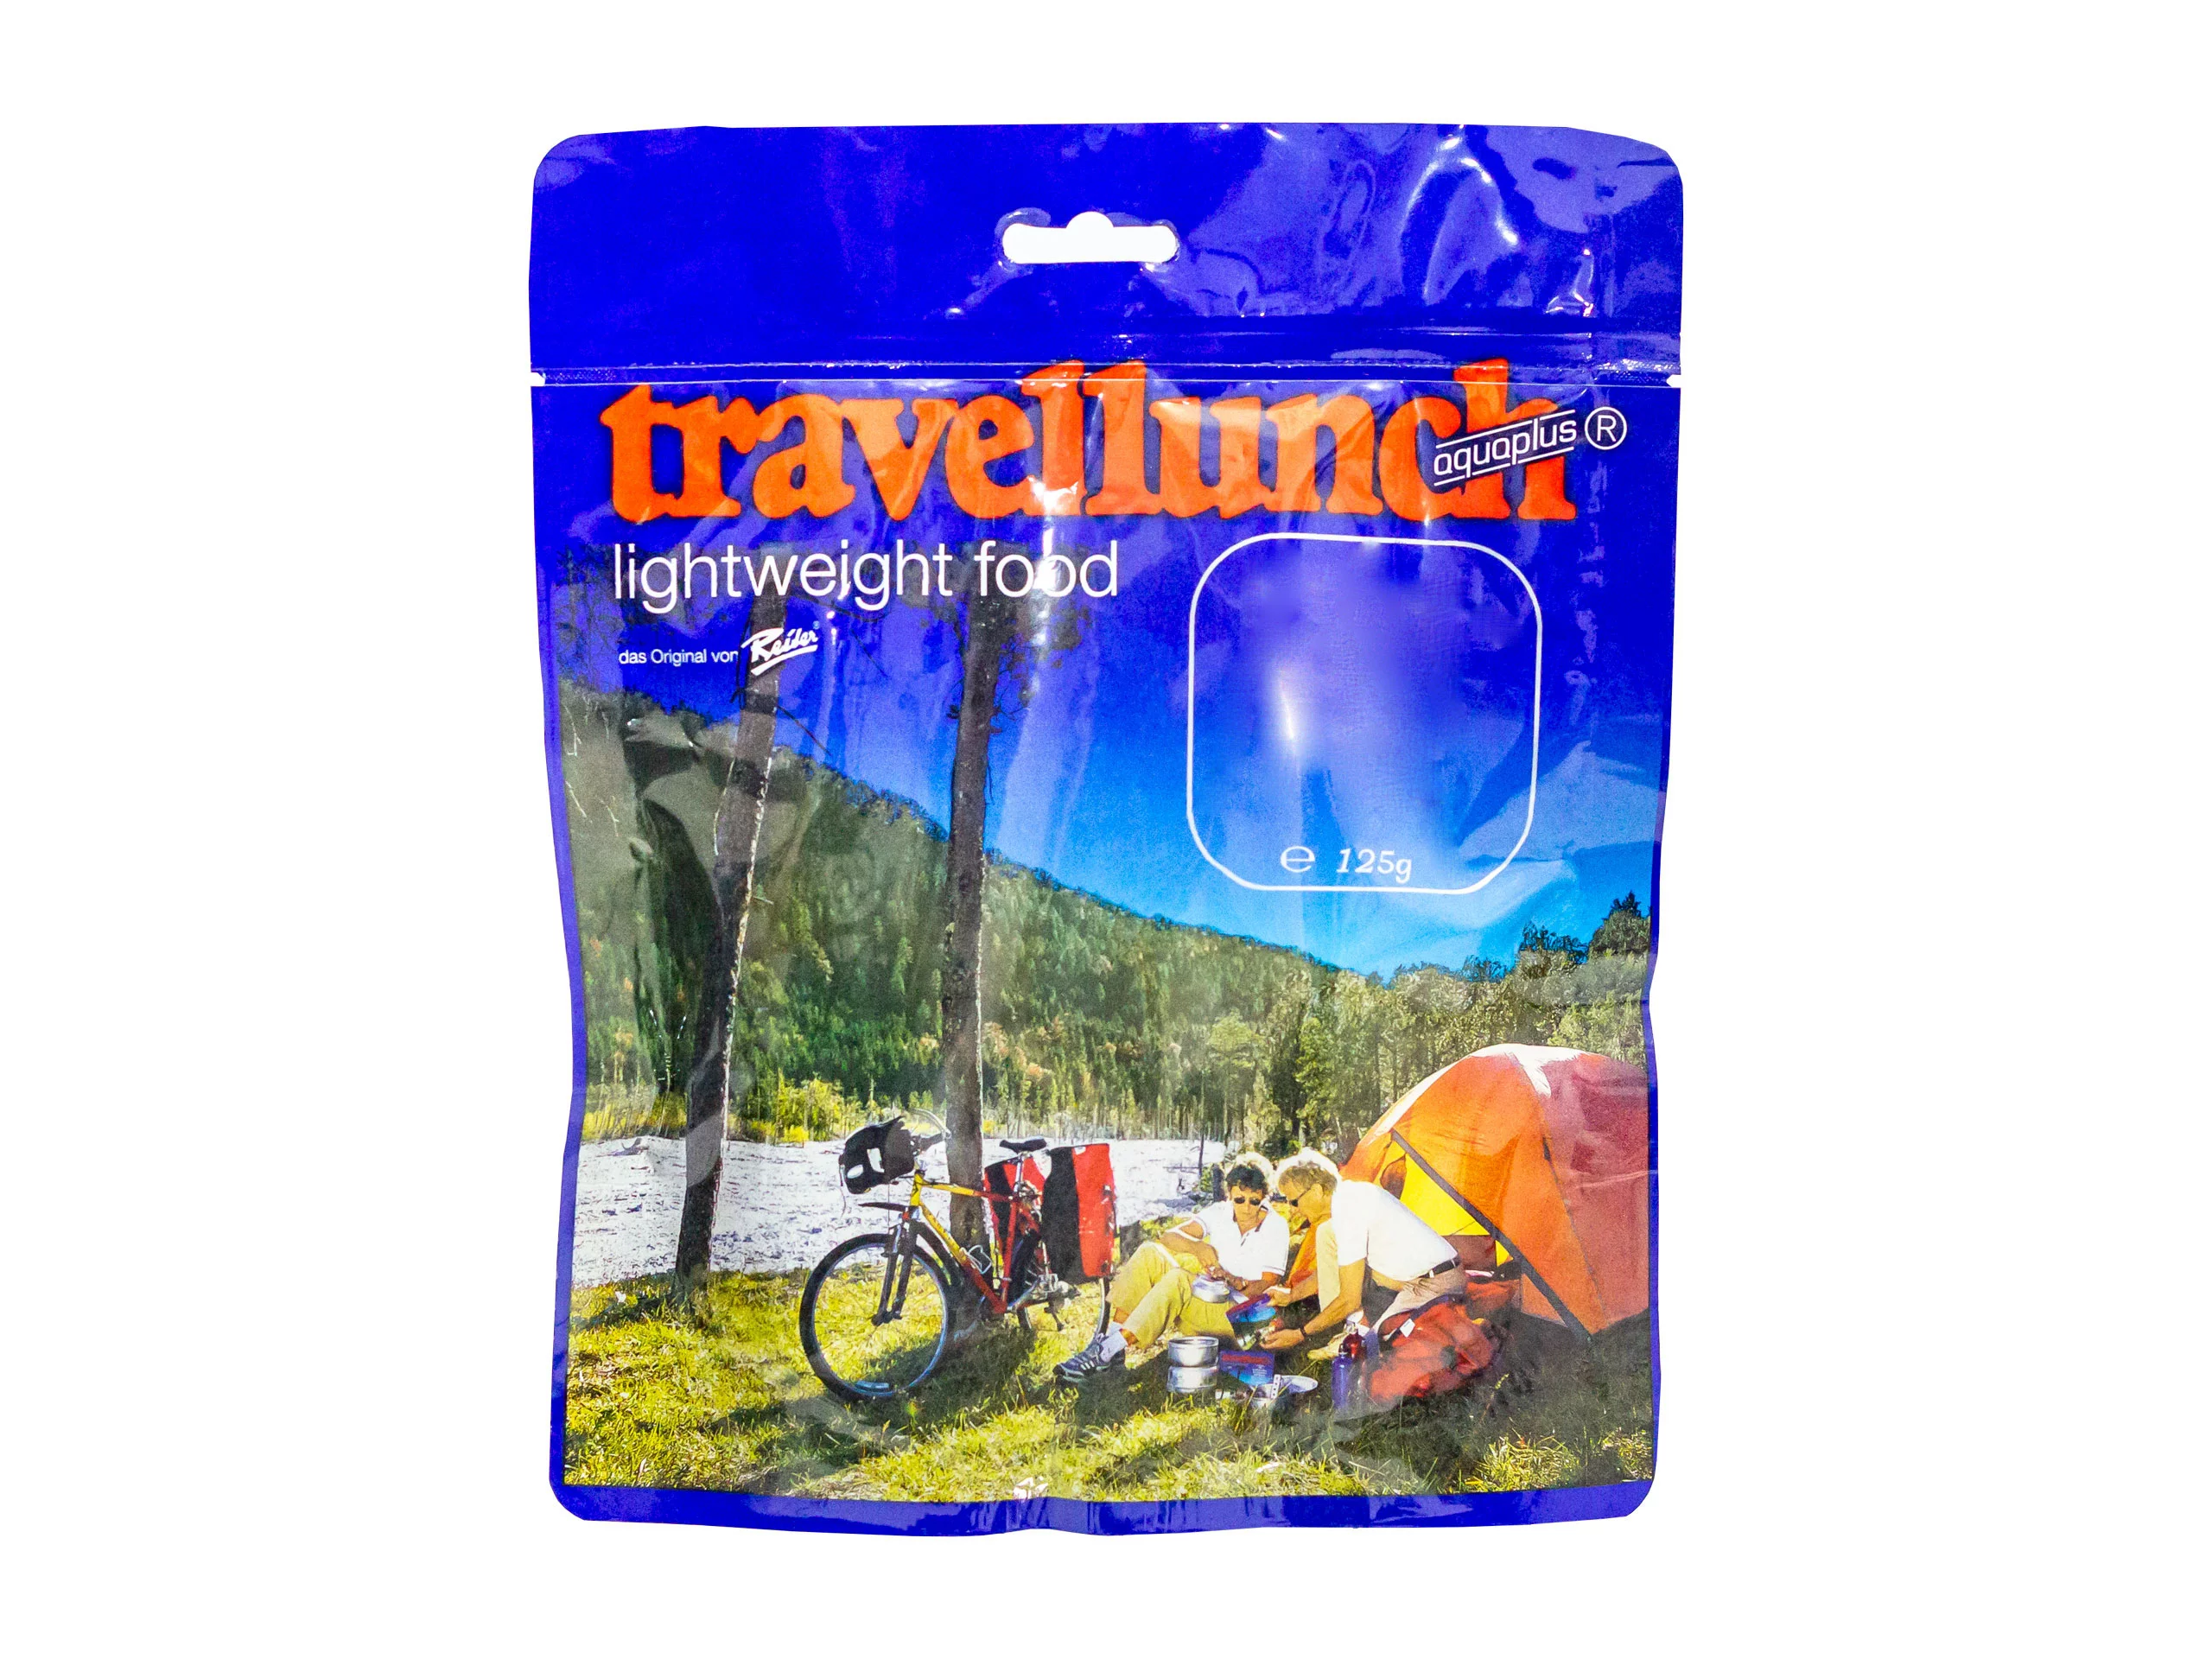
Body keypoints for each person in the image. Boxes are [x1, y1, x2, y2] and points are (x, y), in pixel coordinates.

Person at [1056, 1154, 1289, 1381]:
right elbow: (1169, 1237)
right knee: (1149, 1252)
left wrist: (1234, 1281)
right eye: (1239, 1199)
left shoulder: (1276, 1226)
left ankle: (1104, 1351)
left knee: (1179, 1279)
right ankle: (1113, 1348)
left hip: (1240, 1318)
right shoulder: (1220, 1212)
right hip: (1207, 1302)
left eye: (1254, 1201)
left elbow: (1267, 1286)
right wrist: (1197, 1247)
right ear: (1230, 1194)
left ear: (1264, 1197)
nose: (1246, 1207)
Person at [1257, 1150, 1465, 1354]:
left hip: (1434, 1284)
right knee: (1326, 1232)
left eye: (1294, 1201)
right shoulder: (1348, 1196)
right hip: (1409, 1279)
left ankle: (1356, 1330)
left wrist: (1300, 1334)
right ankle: (1351, 1326)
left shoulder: (1349, 1210)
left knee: (1378, 1347)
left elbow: (1350, 1300)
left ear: (1318, 1190)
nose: (1292, 1209)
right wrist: (1293, 1295)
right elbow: (1335, 1270)